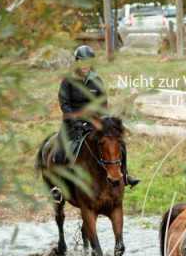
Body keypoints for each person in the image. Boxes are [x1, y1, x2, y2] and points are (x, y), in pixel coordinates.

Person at [55, 44, 139, 187]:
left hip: (94, 123)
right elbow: (65, 104)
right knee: (60, 150)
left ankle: (124, 174)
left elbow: (102, 104)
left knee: (119, 143)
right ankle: (59, 186)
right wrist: (75, 121)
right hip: (72, 123)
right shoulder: (67, 81)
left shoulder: (96, 80)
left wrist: (103, 122)